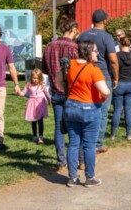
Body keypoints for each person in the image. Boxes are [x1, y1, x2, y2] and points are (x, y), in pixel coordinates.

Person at [63, 40, 110, 188]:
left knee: (73, 144)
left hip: (71, 106)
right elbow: (105, 91)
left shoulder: (70, 65)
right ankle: (89, 177)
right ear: (88, 52)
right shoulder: (93, 70)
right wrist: (104, 96)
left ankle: (72, 178)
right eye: (95, 51)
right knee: (89, 145)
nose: (97, 53)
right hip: (89, 108)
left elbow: (59, 81)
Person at [77, 9, 118, 155]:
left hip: (85, 74)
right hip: (103, 75)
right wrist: (116, 77)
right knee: (103, 110)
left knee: (86, 107)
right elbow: (113, 60)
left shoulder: (82, 35)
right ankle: (97, 143)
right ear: (104, 21)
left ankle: (84, 141)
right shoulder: (107, 37)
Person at [42, 16, 80, 172]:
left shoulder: (49, 46)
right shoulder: (74, 47)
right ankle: (79, 160)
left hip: (56, 92)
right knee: (76, 128)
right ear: (73, 31)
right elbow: (79, 68)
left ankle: (61, 162)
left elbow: (44, 69)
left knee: (59, 128)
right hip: (72, 92)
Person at [110, 37, 131, 140]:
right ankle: (128, 134)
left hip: (119, 83)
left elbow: (112, 68)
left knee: (117, 110)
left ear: (119, 44)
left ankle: (113, 134)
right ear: (129, 45)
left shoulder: (117, 56)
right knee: (129, 110)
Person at [20, 68, 51, 144]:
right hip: (32, 103)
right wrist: (18, 93)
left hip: (40, 103)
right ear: (31, 78)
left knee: (40, 120)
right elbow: (23, 93)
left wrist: (49, 100)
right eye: (34, 78)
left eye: (37, 78)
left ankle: (40, 136)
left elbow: (46, 93)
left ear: (40, 78)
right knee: (33, 120)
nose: (35, 80)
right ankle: (34, 135)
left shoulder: (42, 85)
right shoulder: (29, 84)